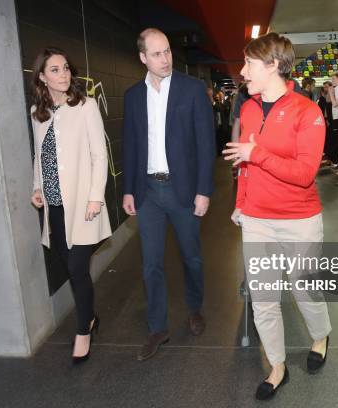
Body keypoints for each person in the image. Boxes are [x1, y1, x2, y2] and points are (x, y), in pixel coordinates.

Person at [223, 32, 331, 401]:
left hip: (299, 218)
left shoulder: (308, 111)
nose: (242, 71)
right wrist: (242, 200)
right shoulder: (249, 108)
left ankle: (320, 336)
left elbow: (304, 174)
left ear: (272, 65)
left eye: (249, 63)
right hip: (256, 218)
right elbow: (244, 162)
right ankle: (278, 366)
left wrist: (258, 154)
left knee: (303, 289)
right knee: (265, 297)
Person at [122, 28, 215, 361]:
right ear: (143, 58)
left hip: (183, 190)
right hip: (148, 191)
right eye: (157, 54)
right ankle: (157, 327)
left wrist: (204, 191)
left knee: (191, 256)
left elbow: (206, 146)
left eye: (167, 52)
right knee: (151, 264)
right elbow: (131, 146)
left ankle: (194, 308)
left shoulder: (191, 90)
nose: (165, 59)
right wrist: (128, 190)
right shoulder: (133, 96)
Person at [30, 47, 111, 364]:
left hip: (82, 203)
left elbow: (99, 154)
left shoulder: (86, 105)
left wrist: (95, 196)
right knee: (73, 270)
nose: (63, 74)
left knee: (77, 267)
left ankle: (83, 329)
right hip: (54, 206)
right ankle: (90, 315)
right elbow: (39, 155)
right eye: (54, 70)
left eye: (65, 68)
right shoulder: (39, 111)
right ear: (42, 77)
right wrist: (36, 187)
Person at [318, 81, 334, 163]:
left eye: (326, 87)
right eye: (324, 87)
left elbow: (330, 110)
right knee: (326, 138)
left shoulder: (332, 97)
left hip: (331, 120)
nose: (325, 89)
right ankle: (327, 154)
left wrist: (327, 119)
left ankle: (330, 157)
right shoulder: (323, 97)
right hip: (324, 120)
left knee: (330, 138)